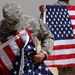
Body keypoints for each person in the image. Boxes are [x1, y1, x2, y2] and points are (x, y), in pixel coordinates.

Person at [0, 2, 54, 75]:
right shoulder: (1, 29)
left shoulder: (33, 22)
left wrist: (44, 53)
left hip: (30, 68)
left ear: (22, 12)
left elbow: (48, 36)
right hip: (9, 71)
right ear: (4, 17)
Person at [39, 0, 75, 75]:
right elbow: (44, 28)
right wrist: (44, 13)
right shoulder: (54, 9)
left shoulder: (70, 8)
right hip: (66, 53)